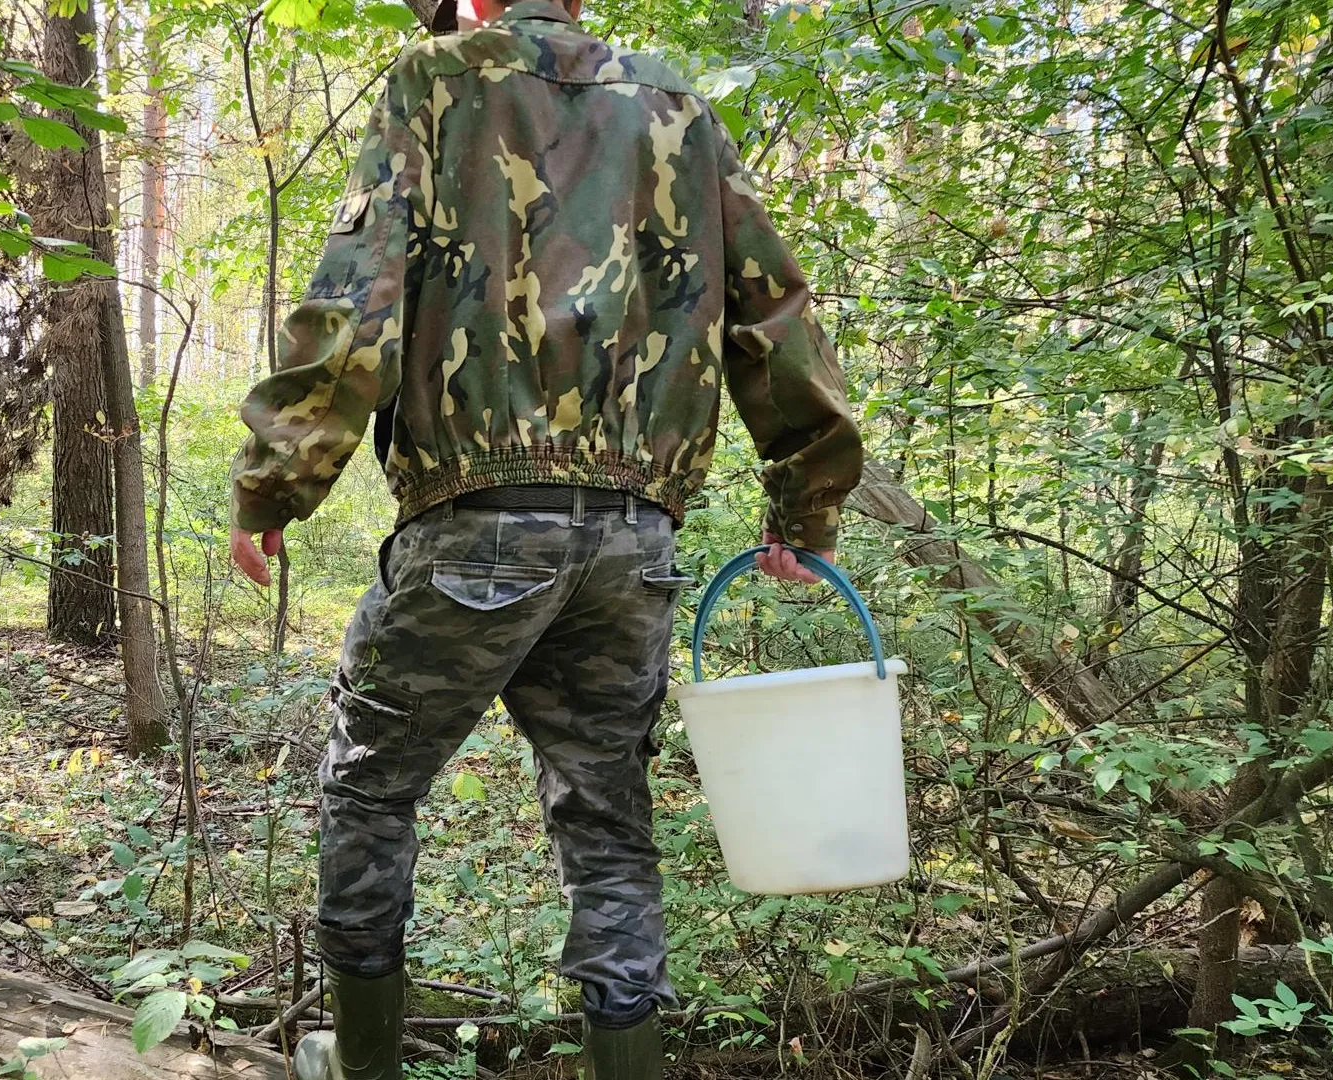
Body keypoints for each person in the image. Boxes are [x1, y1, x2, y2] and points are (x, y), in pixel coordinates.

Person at [227, 0, 863, 1072]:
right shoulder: (676, 100)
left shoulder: (437, 78)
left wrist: (278, 483)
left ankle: (366, 1066)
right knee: (606, 823)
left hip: (476, 521)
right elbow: (772, 311)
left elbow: (360, 294)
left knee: (372, 787)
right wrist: (806, 500)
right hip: (632, 539)